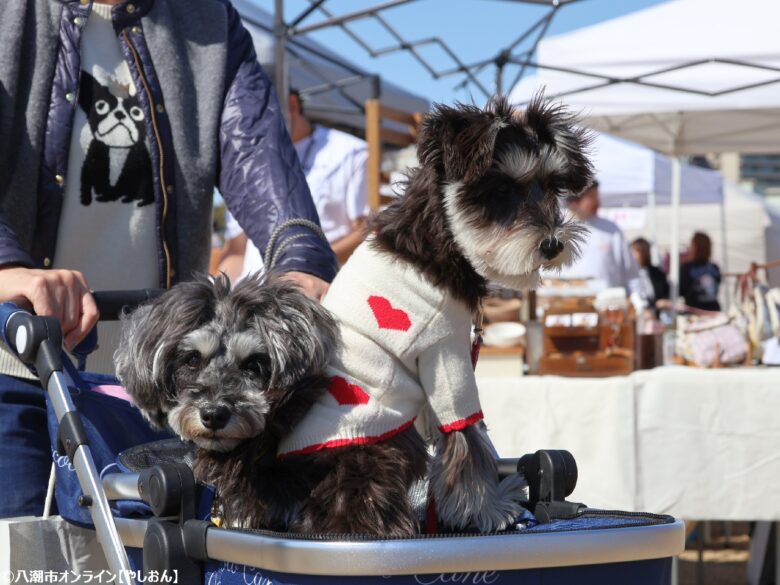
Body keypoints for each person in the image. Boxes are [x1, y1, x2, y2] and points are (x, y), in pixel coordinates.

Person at [0, 0, 337, 517]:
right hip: (14, 368)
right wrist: (6, 266)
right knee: (24, 551)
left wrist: (302, 260)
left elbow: (252, 145)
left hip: (158, 392)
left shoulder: (207, 19)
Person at [219, 88, 369, 281]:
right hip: (250, 294)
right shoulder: (245, 160)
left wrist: (309, 264)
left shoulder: (350, 153)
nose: (253, 121)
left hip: (317, 289)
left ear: (292, 105)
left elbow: (366, 232)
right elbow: (237, 251)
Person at [555, 181, 646, 297]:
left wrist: (641, 303)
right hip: (565, 307)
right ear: (574, 201)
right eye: (591, 197)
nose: (597, 202)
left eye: (597, 196)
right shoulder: (555, 230)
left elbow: (632, 275)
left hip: (608, 307)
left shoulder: (611, 230)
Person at [679, 232, 721, 312]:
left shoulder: (687, 268)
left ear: (695, 247)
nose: (689, 248)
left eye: (691, 245)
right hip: (713, 311)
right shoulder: (714, 267)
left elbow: (680, 290)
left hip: (694, 312)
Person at [630, 237, 670, 309]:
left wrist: (660, 302)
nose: (633, 256)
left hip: (656, 313)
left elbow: (665, 292)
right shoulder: (628, 275)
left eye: (636, 252)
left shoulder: (656, 273)